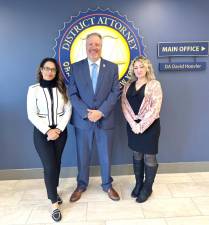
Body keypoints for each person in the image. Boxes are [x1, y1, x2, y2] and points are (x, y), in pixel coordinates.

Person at [69, 32, 121, 202]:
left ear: (101, 46)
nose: (93, 47)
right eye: (90, 44)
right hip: (83, 121)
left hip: (105, 119)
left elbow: (115, 92)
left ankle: (107, 185)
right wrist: (86, 113)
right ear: (86, 46)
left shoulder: (112, 67)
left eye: (96, 44)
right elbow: (73, 93)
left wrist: (101, 111)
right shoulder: (76, 67)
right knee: (82, 155)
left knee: (106, 155)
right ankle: (81, 184)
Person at [27, 57, 72, 221]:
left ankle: (53, 190)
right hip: (42, 133)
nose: (49, 72)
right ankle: (54, 203)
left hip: (60, 132)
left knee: (57, 162)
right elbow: (31, 114)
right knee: (49, 166)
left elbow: (68, 110)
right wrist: (48, 131)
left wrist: (58, 129)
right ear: (41, 70)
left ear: (56, 72)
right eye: (46, 68)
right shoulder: (33, 89)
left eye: (52, 69)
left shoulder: (62, 88)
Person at [121, 56, 163, 203]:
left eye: (141, 67)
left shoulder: (154, 84)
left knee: (149, 157)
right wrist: (133, 124)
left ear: (147, 68)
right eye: (136, 67)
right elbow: (124, 106)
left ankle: (147, 187)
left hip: (150, 127)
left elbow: (155, 108)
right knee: (137, 154)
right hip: (133, 127)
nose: (138, 70)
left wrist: (141, 125)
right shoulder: (128, 85)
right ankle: (138, 184)